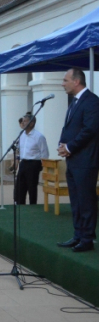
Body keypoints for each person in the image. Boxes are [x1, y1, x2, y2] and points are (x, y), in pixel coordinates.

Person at [57, 68, 99, 253]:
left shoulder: (92, 101)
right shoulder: (74, 101)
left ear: (76, 81)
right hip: (74, 160)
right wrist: (62, 144)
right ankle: (78, 234)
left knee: (86, 200)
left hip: (86, 160)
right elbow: (69, 128)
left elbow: (90, 130)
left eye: (65, 80)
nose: (62, 83)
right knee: (75, 200)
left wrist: (69, 147)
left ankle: (87, 238)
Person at [14, 113, 48, 205]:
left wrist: (42, 166)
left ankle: (33, 206)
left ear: (32, 123)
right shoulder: (22, 135)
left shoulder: (39, 136)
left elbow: (44, 153)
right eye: (22, 121)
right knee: (20, 186)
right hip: (23, 162)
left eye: (25, 121)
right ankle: (20, 205)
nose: (23, 123)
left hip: (33, 164)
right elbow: (19, 149)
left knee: (32, 187)